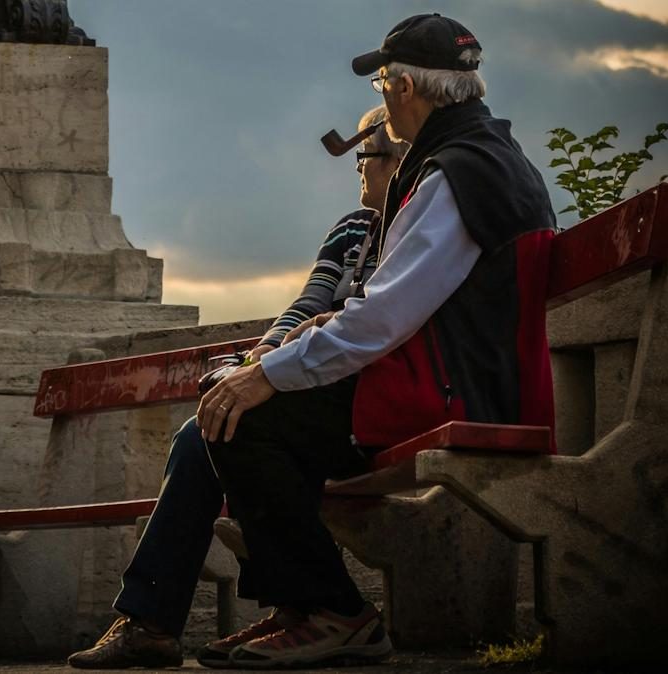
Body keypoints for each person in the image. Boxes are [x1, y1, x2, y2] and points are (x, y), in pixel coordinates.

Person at [197, 13, 557, 669]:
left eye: (383, 83)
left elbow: (384, 316)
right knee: (245, 408)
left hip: (454, 392)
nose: (382, 98)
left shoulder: (452, 173)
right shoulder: (478, 157)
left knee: (243, 416)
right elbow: (397, 299)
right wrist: (307, 340)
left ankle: (335, 612)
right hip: (464, 377)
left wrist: (266, 374)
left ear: (404, 89)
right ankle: (301, 607)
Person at [66, 109, 406, 669]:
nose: (359, 169)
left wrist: (272, 368)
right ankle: (151, 621)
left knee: (235, 425)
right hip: (309, 392)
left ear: (399, 162)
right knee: (203, 428)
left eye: (366, 157)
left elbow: (369, 320)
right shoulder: (352, 229)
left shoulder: (412, 230)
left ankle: (313, 607)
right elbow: (308, 304)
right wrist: (258, 358)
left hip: (352, 406)